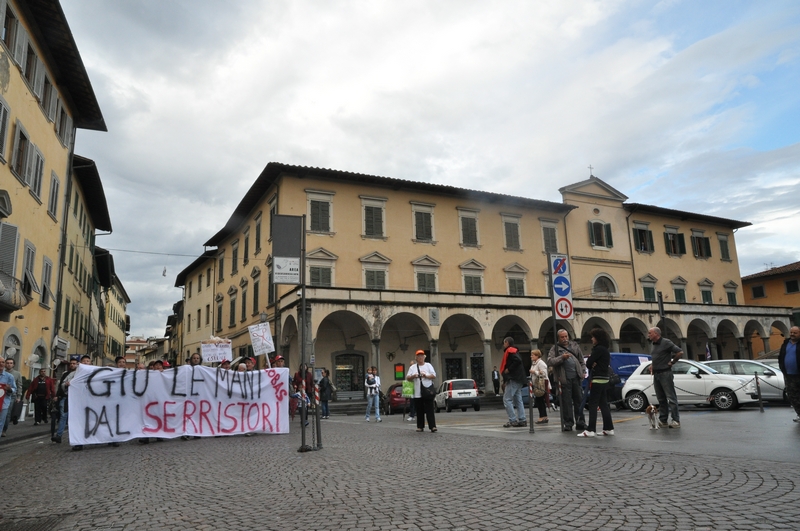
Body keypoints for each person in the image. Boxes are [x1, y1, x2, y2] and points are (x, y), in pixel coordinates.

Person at [547, 329, 587, 432]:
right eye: (562, 337)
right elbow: (550, 361)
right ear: (558, 338)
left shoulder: (574, 345)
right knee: (566, 403)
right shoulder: (555, 349)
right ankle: (568, 423)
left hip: (576, 377)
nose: (565, 339)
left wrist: (582, 371)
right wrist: (562, 357)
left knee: (579, 401)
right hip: (564, 379)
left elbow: (581, 360)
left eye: (566, 336)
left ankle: (580, 422)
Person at [578, 329, 615, 437]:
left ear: (597, 338)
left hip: (597, 379)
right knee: (604, 404)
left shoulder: (598, 349)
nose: (591, 339)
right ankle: (609, 428)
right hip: (605, 379)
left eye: (593, 337)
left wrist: (592, 362)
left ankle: (591, 429)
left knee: (593, 404)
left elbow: (589, 363)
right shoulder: (605, 350)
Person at [648, 326, 683, 429]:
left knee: (671, 397)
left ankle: (676, 420)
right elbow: (657, 357)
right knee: (661, 399)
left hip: (665, 373)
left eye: (650, 333)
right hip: (657, 373)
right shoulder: (653, 344)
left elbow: (680, 352)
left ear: (656, 334)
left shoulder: (666, 342)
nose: (648, 335)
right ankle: (663, 420)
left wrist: (672, 362)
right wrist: (653, 365)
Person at [406, 350, 437, 433]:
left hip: (427, 390)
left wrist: (425, 375)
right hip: (417, 392)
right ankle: (420, 426)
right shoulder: (412, 367)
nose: (420, 358)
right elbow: (408, 378)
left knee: (430, 409)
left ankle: (432, 426)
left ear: (424, 357)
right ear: (416, 358)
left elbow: (434, 375)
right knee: (419, 410)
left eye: (422, 356)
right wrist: (414, 376)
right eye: (419, 356)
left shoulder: (428, 365)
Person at [500, 337, 527, 428]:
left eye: (504, 343)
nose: (504, 345)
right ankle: (522, 419)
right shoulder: (514, 350)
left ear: (507, 343)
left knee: (507, 399)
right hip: (519, 378)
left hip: (513, 378)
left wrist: (509, 369)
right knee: (518, 399)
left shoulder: (510, 350)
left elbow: (517, 360)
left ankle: (512, 420)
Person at [53, 357, 79, 448]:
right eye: (71, 363)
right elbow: (60, 385)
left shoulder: (80, 374)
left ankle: (75, 438)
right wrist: (57, 395)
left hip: (76, 399)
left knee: (75, 418)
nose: (72, 365)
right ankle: (59, 436)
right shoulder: (65, 374)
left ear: (77, 364)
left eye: (74, 363)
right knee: (63, 416)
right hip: (65, 397)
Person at [778, 325, 800, 422]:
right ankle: (799, 413)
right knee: (792, 395)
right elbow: (781, 356)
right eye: (791, 332)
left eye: (795, 333)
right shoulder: (786, 343)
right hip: (789, 375)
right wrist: (782, 367)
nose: (792, 334)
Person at [2, 358, 22, 437]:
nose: (9, 364)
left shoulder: (17, 374)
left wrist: (19, 396)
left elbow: (19, 385)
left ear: (13, 365)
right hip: (1, 395)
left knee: (7, 413)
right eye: (7, 363)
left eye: (11, 363)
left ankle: (4, 430)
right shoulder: (2, 372)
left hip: (11, 396)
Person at [529, 350, 549, 424]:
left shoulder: (541, 363)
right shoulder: (534, 363)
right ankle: (543, 416)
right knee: (539, 401)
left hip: (541, 385)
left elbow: (544, 374)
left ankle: (543, 417)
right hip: (536, 385)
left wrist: (534, 372)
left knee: (540, 401)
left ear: (537, 356)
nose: (531, 356)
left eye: (533, 355)